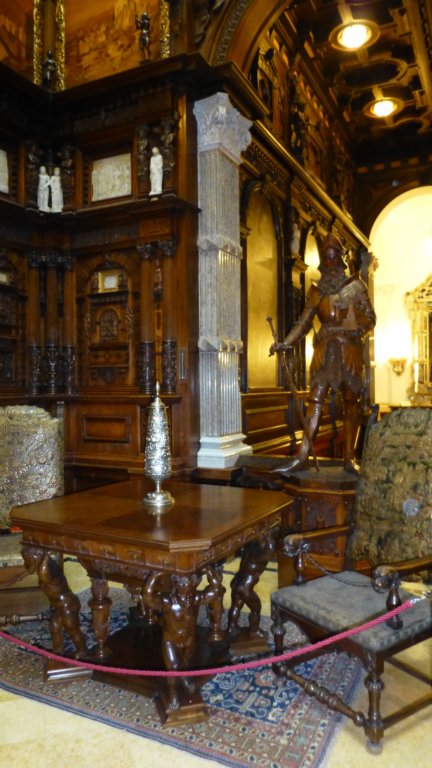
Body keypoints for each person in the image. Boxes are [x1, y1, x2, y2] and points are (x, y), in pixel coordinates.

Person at [270, 232, 376, 475]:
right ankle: (303, 455)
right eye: (326, 258)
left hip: (349, 350)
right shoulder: (316, 290)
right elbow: (304, 322)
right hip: (324, 351)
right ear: (322, 261)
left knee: (351, 402)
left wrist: (353, 327)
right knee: (315, 400)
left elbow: (371, 319)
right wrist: (285, 343)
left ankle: (349, 457)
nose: (330, 262)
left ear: (340, 258)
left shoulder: (355, 286)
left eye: (333, 257)